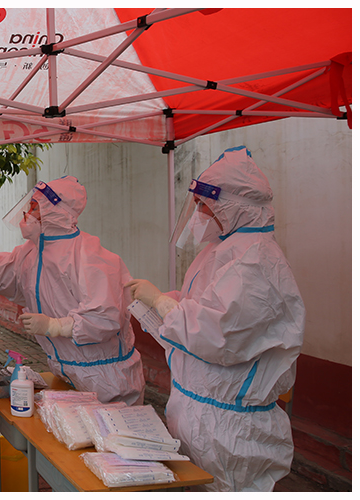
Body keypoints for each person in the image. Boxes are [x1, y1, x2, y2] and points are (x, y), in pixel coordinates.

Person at [126, 146, 305, 492]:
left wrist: (162, 303)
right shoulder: (223, 249)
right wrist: (163, 303)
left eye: (203, 205)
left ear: (234, 207)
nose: (198, 214)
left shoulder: (256, 262)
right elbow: (203, 305)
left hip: (230, 430)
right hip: (199, 412)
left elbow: (217, 334)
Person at [0, 176, 145, 406]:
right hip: (65, 373)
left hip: (107, 380)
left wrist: (54, 326)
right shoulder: (31, 252)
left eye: (35, 207)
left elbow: (105, 318)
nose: (27, 213)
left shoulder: (91, 256)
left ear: (54, 210)